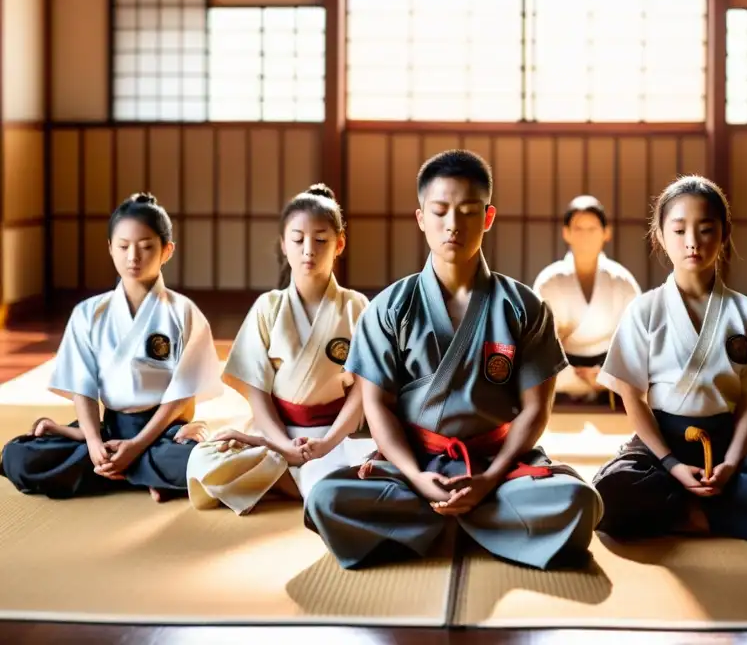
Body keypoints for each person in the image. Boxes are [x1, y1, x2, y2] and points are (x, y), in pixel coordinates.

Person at [304, 150, 603, 570]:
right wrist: (416, 478)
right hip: (414, 466)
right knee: (326, 498)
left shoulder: (524, 306)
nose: (452, 225)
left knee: (578, 501)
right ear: (421, 217)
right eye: (440, 211)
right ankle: (486, 526)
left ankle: (439, 523)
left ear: (488, 217)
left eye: (467, 212)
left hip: (496, 468)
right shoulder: (390, 307)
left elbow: (536, 409)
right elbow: (377, 407)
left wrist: (488, 479)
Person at [591, 175, 747, 545]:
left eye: (705, 229)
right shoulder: (645, 310)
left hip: (728, 440)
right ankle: (711, 514)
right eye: (679, 229)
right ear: (660, 234)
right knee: (610, 492)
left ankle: (685, 514)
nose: (692, 242)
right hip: (660, 443)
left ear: (724, 233)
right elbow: (633, 398)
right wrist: (671, 464)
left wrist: (732, 464)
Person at [0, 193, 221, 501]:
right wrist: (92, 444)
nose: (133, 257)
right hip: (108, 430)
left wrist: (137, 445)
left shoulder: (183, 312)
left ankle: (127, 468)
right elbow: (83, 387)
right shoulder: (89, 313)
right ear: (110, 248)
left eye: (145, 247)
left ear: (166, 251)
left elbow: (182, 395)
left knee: (208, 463)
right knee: (17, 456)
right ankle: (140, 474)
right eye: (123, 246)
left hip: (162, 432)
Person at [186, 185, 376, 515]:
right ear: (283, 244)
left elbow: (363, 391)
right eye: (298, 239)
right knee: (206, 460)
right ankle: (303, 481)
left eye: (320, 240)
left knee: (385, 462)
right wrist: (284, 445)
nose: (308, 250)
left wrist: (327, 442)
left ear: (339, 244)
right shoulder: (268, 307)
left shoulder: (355, 306)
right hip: (276, 434)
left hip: (337, 436)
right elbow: (256, 390)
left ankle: (292, 481)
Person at [533, 196, 641, 404]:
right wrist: (568, 371)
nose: (585, 236)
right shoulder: (549, 280)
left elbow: (636, 340)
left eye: (592, 229)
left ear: (606, 232)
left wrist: (603, 375)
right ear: (566, 233)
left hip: (609, 370)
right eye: (578, 228)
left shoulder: (622, 281)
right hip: (562, 369)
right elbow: (539, 341)